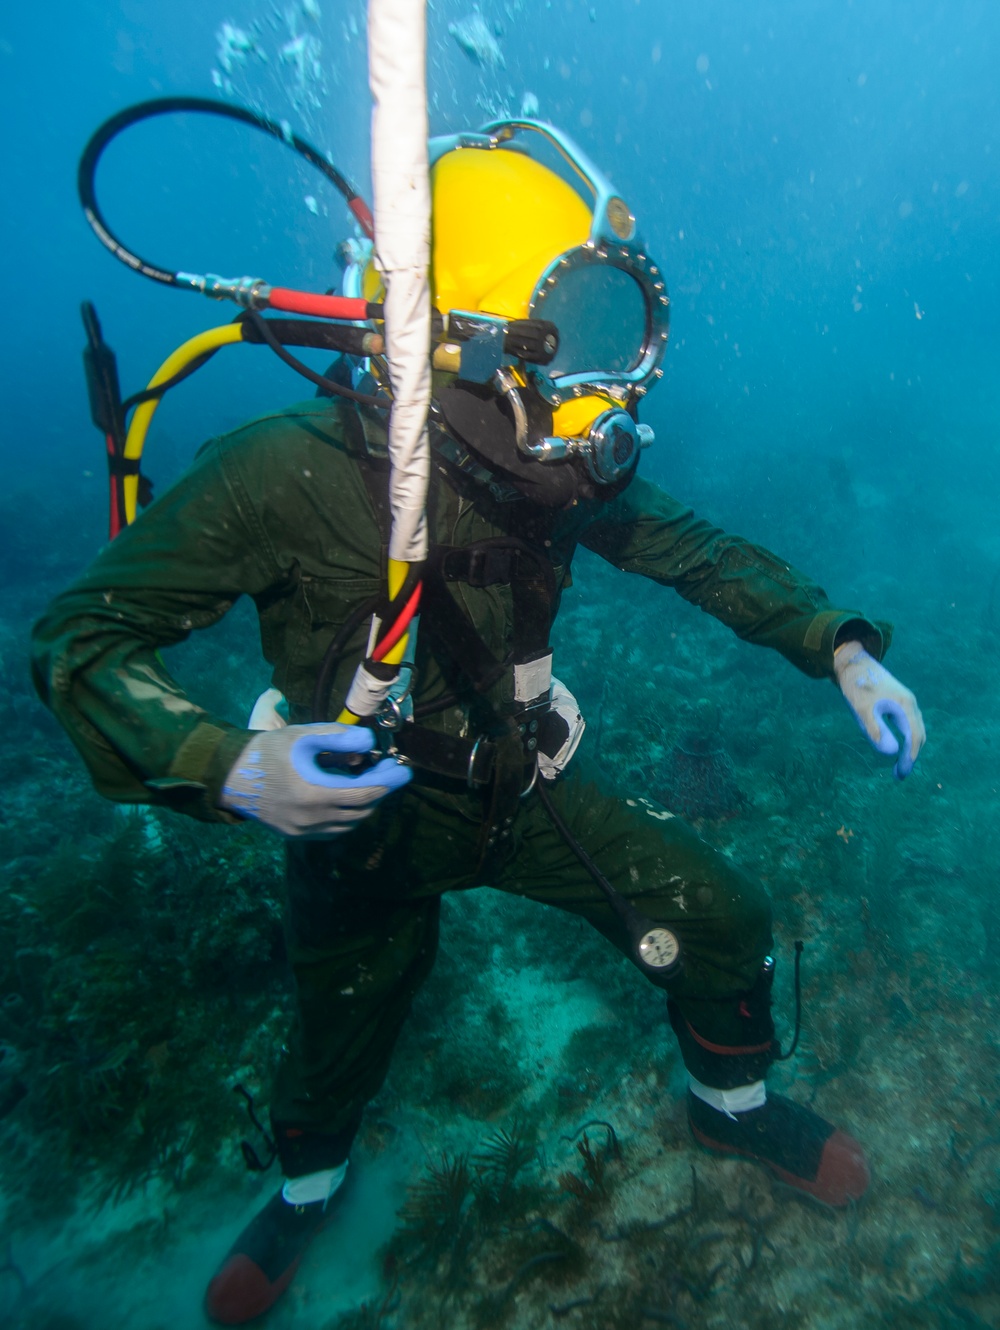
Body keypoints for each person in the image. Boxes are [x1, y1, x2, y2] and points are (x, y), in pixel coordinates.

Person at [31, 123, 925, 1326]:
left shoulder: (558, 463)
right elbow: (78, 640)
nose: (609, 399)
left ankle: (732, 1109)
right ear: (469, 347)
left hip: (521, 791)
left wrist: (840, 644)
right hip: (358, 827)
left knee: (723, 920)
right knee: (334, 1040)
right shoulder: (280, 472)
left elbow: (698, 553)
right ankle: (307, 1186)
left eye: (624, 346)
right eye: (582, 348)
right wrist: (232, 767)